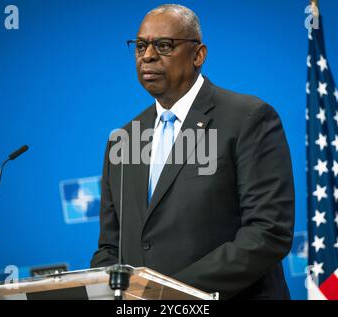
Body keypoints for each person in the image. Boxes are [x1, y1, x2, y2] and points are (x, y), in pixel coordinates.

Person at [90, 4, 295, 300]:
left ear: (198, 55)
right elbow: (111, 247)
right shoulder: (123, 138)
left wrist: (166, 293)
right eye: (140, 46)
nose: (147, 55)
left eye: (163, 45)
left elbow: (267, 233)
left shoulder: (248, 118)